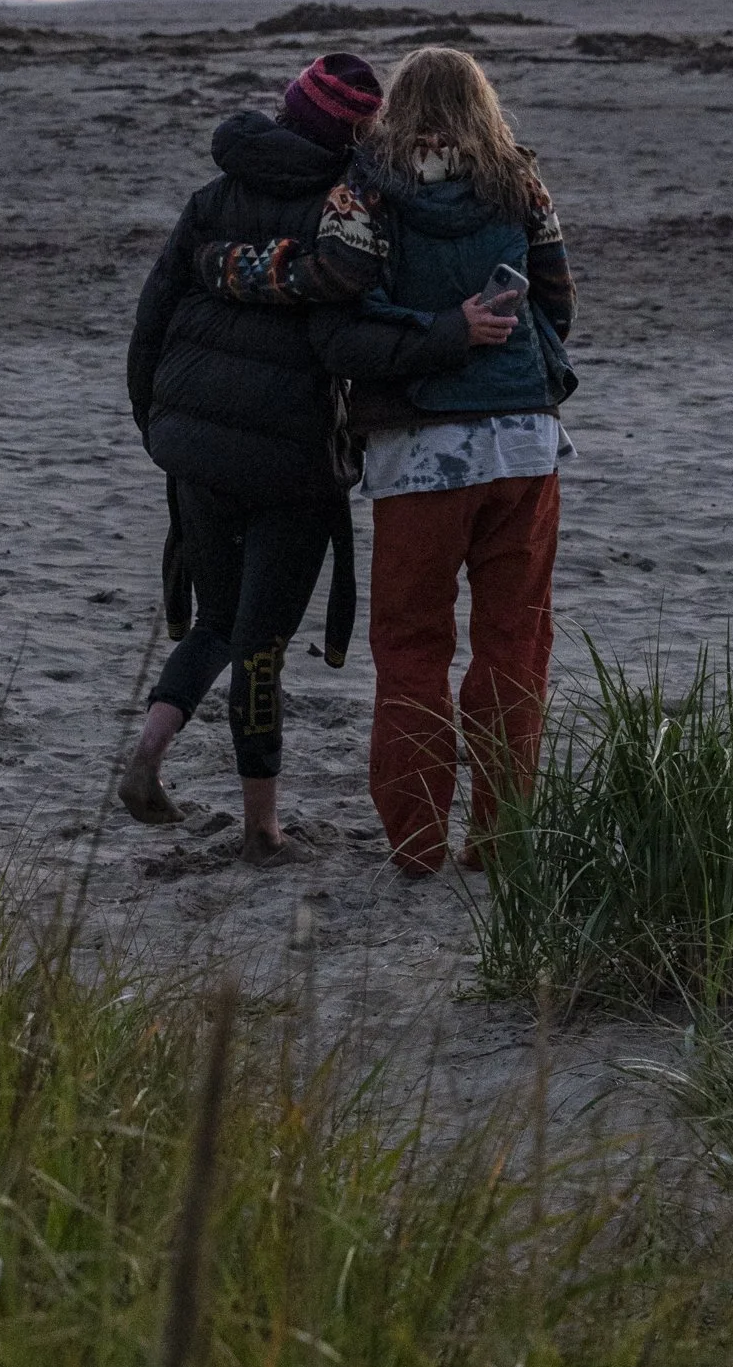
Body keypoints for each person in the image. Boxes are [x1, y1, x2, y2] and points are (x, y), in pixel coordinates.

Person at [198, 44, 575, 876]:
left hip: (418, 454)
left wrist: (233, 266)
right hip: (522, 442)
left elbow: (331, 280)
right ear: (484, 103)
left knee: (411, 649)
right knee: (515, 645)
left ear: (396, 107)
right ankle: (501, 839)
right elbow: (558, 301)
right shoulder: (520, 180)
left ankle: (415, 846)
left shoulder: (367, 186)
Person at [124, 48, 482, 862]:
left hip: (193, 446)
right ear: (357, 132)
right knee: (261, 645)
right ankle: (261, 827)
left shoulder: (213, 198)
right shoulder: (348, 210)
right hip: (291, 459)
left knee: (214, 619)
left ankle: (148, 748)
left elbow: (151, 317)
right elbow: (350, 335)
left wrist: (157, 428)